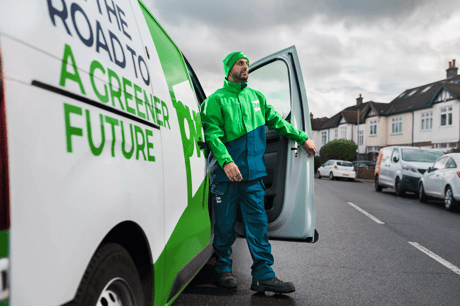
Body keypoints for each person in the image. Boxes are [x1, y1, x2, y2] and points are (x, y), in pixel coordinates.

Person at [200, 51, 316, 294]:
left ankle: (263, 275)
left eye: (247, 64)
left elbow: (277, 122)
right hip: (226, 177)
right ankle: (223, 269)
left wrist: (302, 138)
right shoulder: (215, 100)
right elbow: (212, 134)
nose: (245, 67)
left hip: (253, 177)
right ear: (229, 68)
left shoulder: (257, 98)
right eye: (241, 63)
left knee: (258, 226)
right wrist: (226, 162)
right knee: (224, 226)